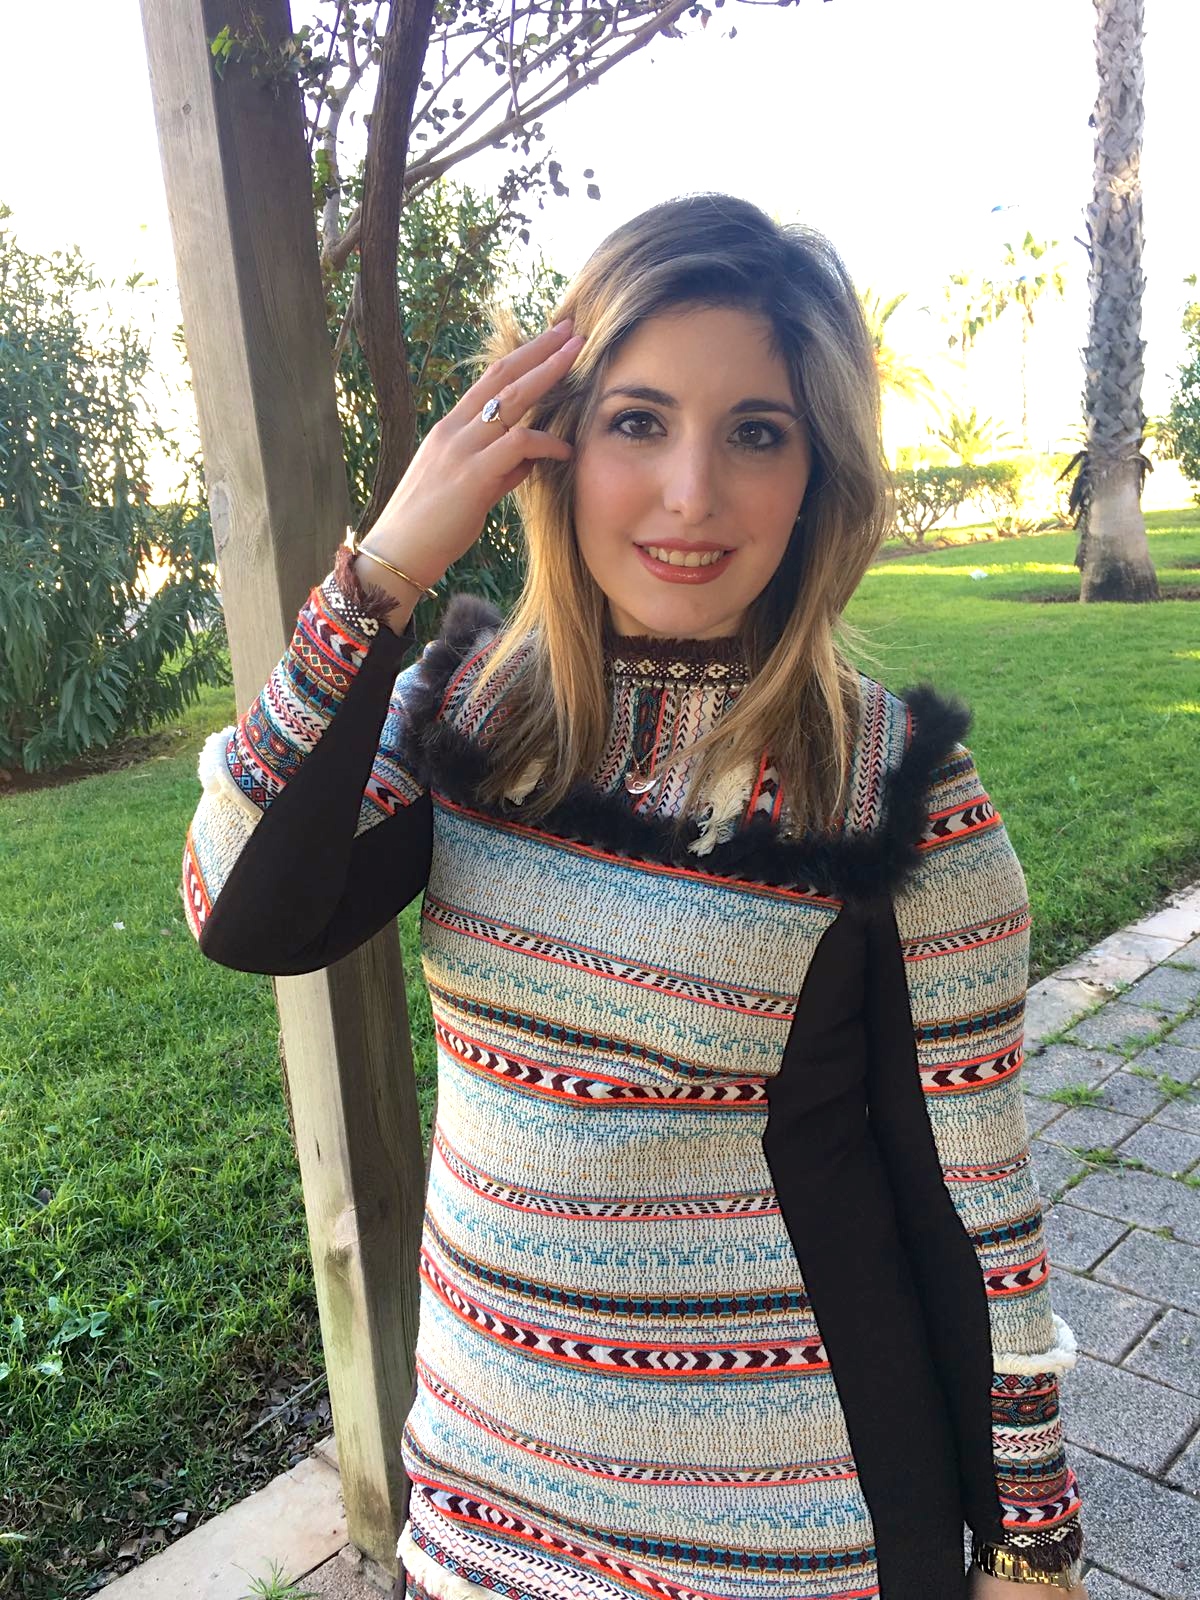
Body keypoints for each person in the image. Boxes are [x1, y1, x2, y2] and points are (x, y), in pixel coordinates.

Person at [181, 193, 1087, 1599]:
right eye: (638, 421)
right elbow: (242, 907)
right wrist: (377, 580)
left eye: (757, 433)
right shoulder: (466, 719)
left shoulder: (893, 789)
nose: (691, 494)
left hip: (799, 1545)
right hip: (481, 1520)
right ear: (554, 445)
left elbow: (974, 1208)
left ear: (819, 473)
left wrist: (1031, 1544)